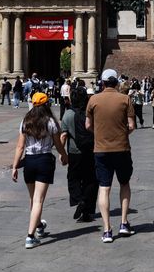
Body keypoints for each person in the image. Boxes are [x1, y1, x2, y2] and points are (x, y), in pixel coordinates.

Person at [11, 92, 67, 249]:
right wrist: (64, 155)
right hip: (44, 160)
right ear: (46, 104)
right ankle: (30, 236)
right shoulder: (50, 122)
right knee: (38, 200)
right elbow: (58, 144)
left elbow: (20, 146)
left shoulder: (25, 121)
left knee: (33, 199)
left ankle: (39, 227)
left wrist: (15, 166)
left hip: (29, 161)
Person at [86, 69, 136, 244]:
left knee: (104, 187)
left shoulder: (93, 100)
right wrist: (121, 134)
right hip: (122, 148)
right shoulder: (125, 99)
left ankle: (107, 230)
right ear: (116, 82)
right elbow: (131, 125)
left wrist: (99, 134)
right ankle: (123, 223)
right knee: (124, 183)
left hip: (101, 149)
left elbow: (88, 125)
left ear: (102, 82)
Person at [60, 89, 97, 223]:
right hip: (91, 150)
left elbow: (64, 136)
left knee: (73, 178)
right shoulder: (91, 112)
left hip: (74, 152)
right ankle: (87, 212)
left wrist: (62, 153)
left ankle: (79, 199)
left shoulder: (68, 114)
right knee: (90, 180)